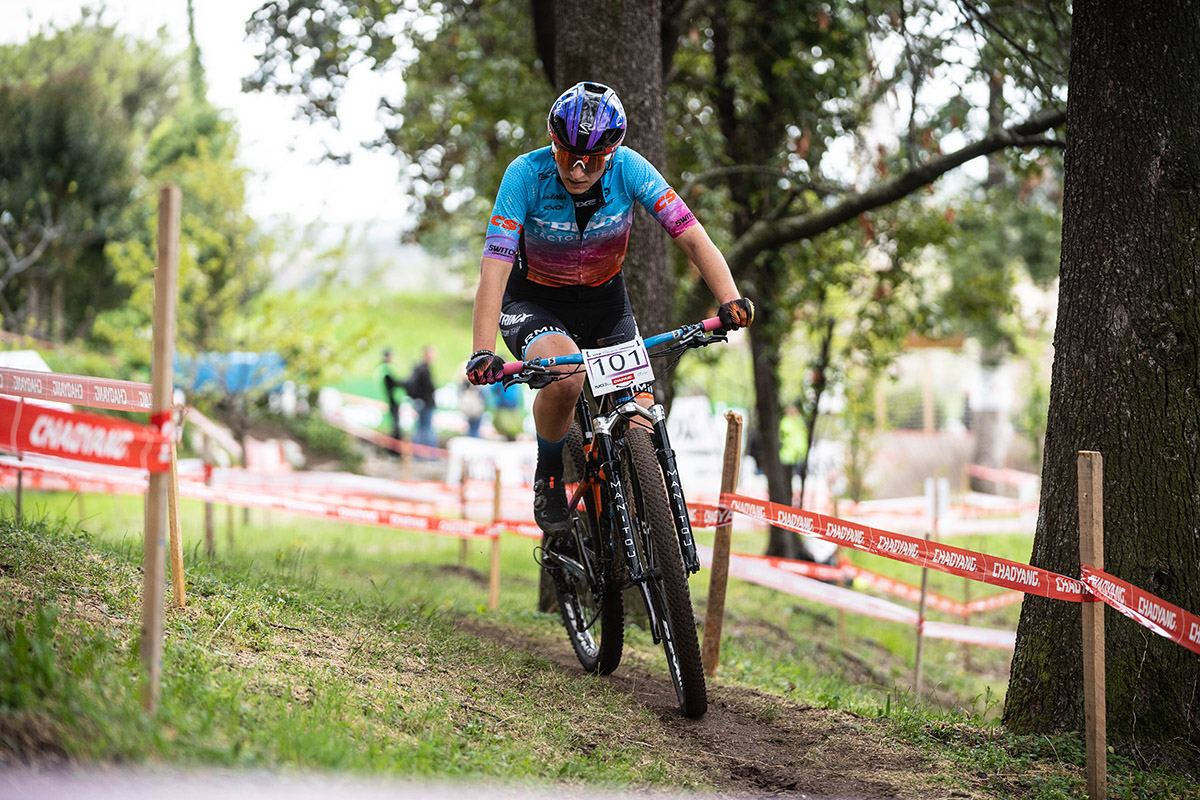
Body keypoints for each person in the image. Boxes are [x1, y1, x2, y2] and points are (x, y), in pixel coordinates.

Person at [464, 81, 754, 537]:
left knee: (640, 413)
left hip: (604, 300)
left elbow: (691, 236)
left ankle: (649, 522)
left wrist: (729, 298)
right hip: (535, 301)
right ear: (552, 143)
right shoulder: (524, 174)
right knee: (567, 379)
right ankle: (550, 474)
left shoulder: (631, 168)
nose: (578, 171)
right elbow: (494, 268)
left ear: (613, 152)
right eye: (567, 156)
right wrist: (483, 349)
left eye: (593, 160)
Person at [407, 345, 438, 454]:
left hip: (421, 402)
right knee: (426, 429)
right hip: (425, 402)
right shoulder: (423, 369)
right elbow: (429, 387)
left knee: (421, 429)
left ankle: (419, 454)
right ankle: (431, 454)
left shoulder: (421, 368)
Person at [375, 348, 405, 450]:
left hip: (390, 400)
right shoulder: (387, 369)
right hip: (391, 401)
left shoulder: (383, 368)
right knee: (394, 427)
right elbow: (393, 384)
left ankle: (392, 450)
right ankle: (393, 451)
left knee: (394, 426)